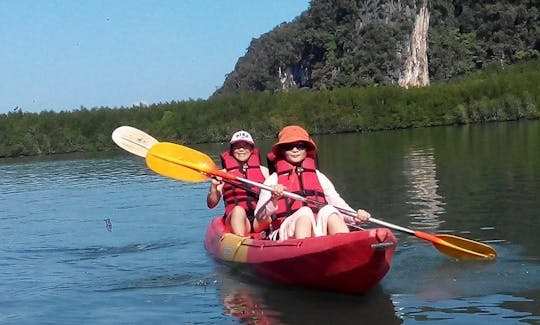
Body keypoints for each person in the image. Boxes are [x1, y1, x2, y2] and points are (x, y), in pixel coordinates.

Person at [254, 125, 370, 240]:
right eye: (289, 146)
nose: (295, 150)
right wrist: (273, 199)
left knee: (329, 211)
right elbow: (260, 218)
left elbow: (338, 204)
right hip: (284, 232)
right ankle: (303, 250)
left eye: (300, 146)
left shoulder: (319, 176)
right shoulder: (273, 180)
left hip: (316, 230)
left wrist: (355, 216)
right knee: (304, 213)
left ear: (307, 149)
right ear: (282, 151)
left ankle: (346, 246)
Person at [207, 130, 270, 236]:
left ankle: (272, 236)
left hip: (257, 221)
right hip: (234, 219)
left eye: (245, 146)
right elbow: (211, 204)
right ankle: (240, 242)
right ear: (232, 150)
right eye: (237, 146)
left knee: (267, 212)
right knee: (238, 210)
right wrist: (214, 186)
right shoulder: (222, 174)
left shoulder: (264, 171)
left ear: (251, 149)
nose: (241, 149)